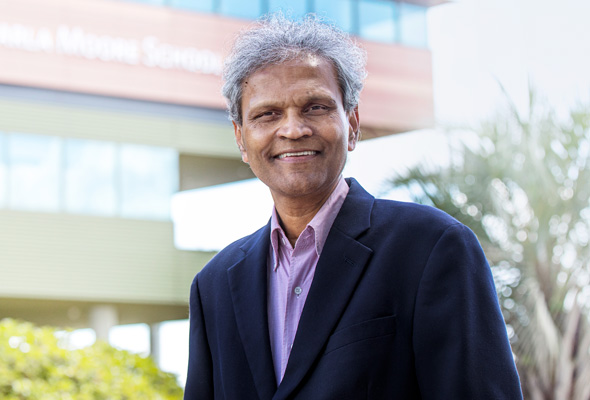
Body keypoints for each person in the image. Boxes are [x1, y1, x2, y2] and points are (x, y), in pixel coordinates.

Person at [184, 14, 522, 400]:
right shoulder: (213, 286)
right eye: (267, 114)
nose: (293, 129)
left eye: (315, 107)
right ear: (241, 139)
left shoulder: (432, 247)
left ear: (353, 123)